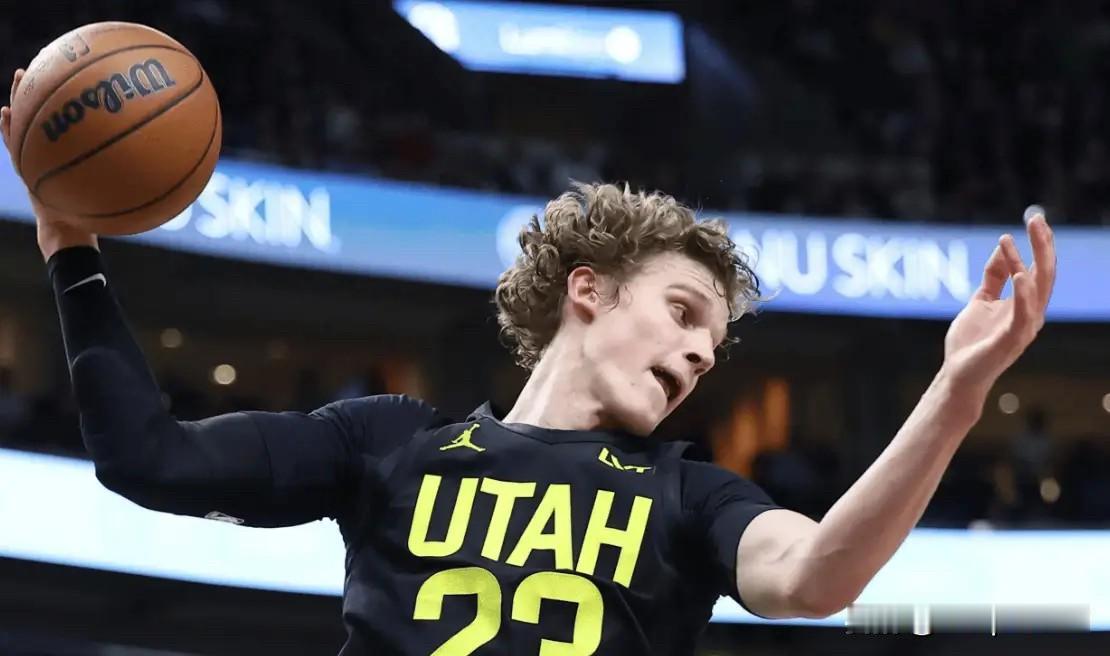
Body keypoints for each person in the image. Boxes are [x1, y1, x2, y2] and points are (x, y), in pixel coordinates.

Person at [0, 68, 1057, 654]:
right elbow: (149, 459)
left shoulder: (692, 494)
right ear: (588, 290)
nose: (700, 351)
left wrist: (958, 388)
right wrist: (71, 249)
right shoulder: (387, 441)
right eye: (682, 311)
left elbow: (818, 575)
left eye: (713, 344)